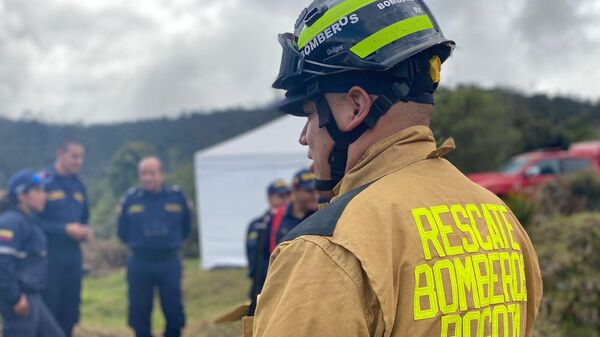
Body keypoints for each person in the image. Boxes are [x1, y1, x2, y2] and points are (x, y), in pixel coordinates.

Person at [247, 1, 543, 337]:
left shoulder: (328, 249)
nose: (304, 137)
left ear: (356, 106)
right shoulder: (500, 219)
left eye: (311, 113)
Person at [118, 156, 192, 337]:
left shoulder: (177, 197)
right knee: (139, 310)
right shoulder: (130, 200)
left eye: (152, 173)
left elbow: (186, 227)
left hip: (168, 261)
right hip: (140, 262)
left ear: (162, 174)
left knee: (173, 308)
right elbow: (122, 231)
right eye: (143, 173)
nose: (148, 178)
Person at [0, 169, 65, 337]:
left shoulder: (30, 221)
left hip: (33, 297)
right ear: (21, 196)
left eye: (44, 190)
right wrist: (14, 297)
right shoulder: (11, 222)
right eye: (37, 191)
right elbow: (3, 262)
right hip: (20, 299)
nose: (44, 196)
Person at [39, 140, 92, 337]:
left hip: (73, 255)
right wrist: (63, 230)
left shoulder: (79, 186)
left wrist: (86, 231)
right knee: (48, 311)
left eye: (81, 157)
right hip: (48, 255)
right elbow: (32, 222)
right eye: (74, 156)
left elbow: (84, 217)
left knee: (70, 311)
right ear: (60, 153)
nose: (79, 161)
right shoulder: (42, 182)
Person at [246, 180, 290, 314]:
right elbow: (254, 257)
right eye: (281, 196)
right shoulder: (258, 224)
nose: (285, 200)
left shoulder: (291, 220)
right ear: (270, 198)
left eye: (287, 196)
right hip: (262, 281)